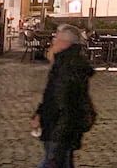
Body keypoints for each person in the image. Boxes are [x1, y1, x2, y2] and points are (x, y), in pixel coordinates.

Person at [33, 25, 96, 168]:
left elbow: (65, 103)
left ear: (65, 43)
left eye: (56, 38)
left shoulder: (68, 67)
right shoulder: (63, 63)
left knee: (55, 161)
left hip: (59, 130)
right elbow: (51, 94)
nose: (53, 42)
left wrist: (59, 135)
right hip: (57, 128)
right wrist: (40, 113)